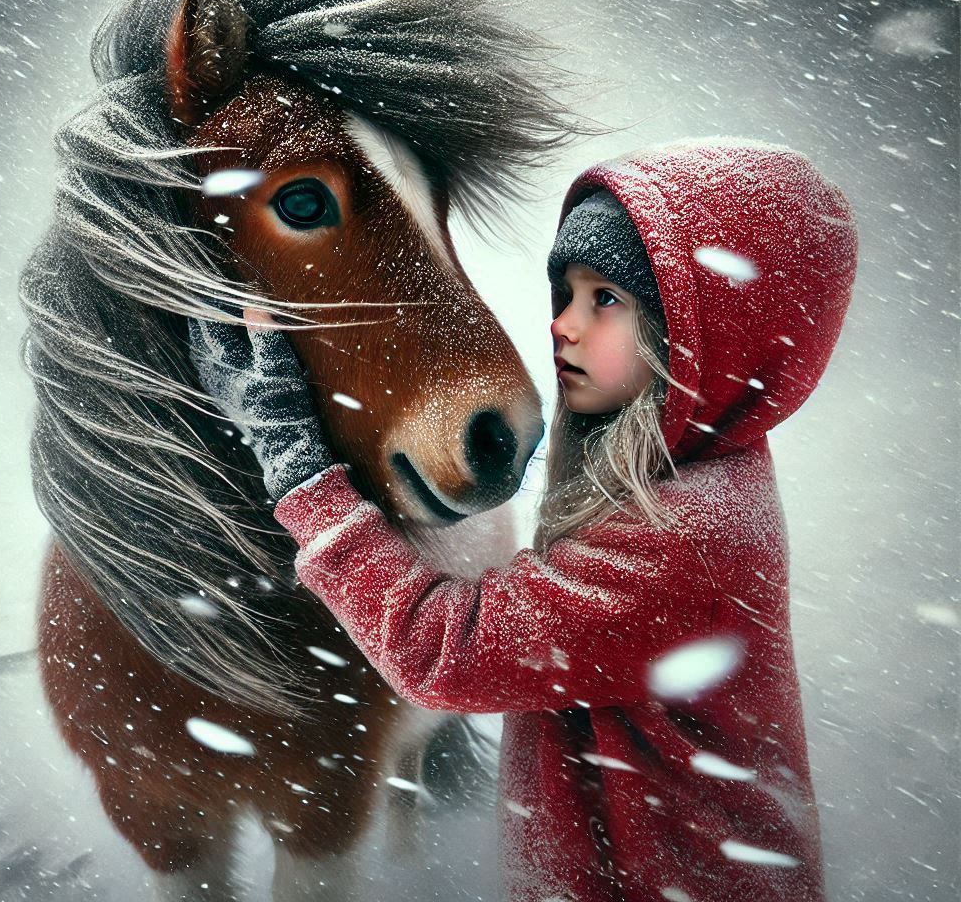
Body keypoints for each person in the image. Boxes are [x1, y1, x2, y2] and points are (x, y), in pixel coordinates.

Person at [188, 138, 858, 902]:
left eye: (606, 299)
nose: (562, 326)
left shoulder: (689, 538)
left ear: (708, 331)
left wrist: (301, 471)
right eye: (563, 293)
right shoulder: (689, 469)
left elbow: (449, 653)